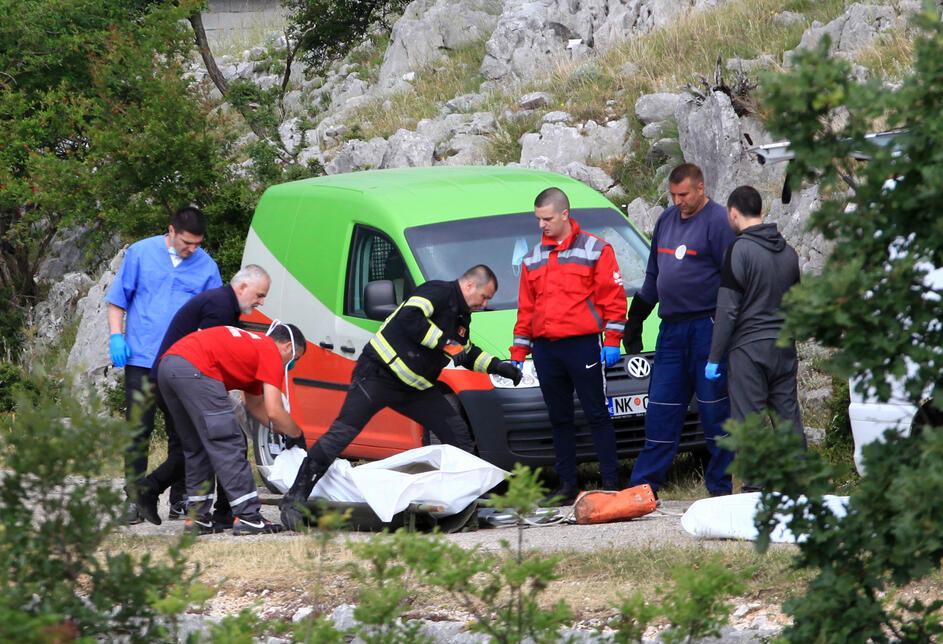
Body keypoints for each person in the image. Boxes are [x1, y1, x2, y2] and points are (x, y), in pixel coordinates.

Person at [278, 265, 522, 531]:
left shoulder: (463, 316)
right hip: (377, 375)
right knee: (341, 435)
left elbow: (466, 351)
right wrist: (447, 345)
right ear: (469, 286)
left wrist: (498, 366)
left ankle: (464, 501)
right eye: (484, 297)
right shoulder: (438, 291)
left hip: (413, 387)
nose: (484, 304)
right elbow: (410, 319)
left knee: (457, 433)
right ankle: (295, 497)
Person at [624, 163, 737, 496]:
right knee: (661, 409)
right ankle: (643, 489)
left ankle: (719, 490)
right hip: (671, 331)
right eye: (673, 195)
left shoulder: (718, 221)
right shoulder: (666, 220)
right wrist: (636, 319)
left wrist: (728, 330)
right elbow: (653, 276)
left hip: (708, 327)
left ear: (700, 188)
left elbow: (732, 280)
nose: (678, 201)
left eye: (684, 195)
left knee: (715, 412)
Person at [509, 187, 628, 504]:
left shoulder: (596, 249)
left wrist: (613, 340)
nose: (541, 225)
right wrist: (518, 353)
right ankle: (567, 485)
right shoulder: (532, 258)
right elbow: (526, 310)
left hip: (582, 345)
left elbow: (613, 300)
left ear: (564, 214)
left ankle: (611, 482)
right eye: (538, 219)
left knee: (596, 414)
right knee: (559, 418)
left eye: (546, 218)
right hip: (546, 349)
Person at [105, 207, 222, 523]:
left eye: (197, 244)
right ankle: (133, 500)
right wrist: (117, 336)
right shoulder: (141, 253)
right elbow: (118, 300)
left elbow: (212, 321)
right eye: (186, 242)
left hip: (182, 364)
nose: (191, 249)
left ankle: (179, 498)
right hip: (141, 360)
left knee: (184, 435)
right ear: (171, 231)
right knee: (137, 432)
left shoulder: (207, 267)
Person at [133, 264, 273, 525]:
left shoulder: (222, 304)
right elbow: (210, 356)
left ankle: (206, 510)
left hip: (171, 377)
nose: (261, 302)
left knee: (196, 446)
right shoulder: (220, 307)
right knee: (219, 441)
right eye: (259, 295)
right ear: (242, 286)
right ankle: (225, 510)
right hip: (184, 378)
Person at [157, 322, 307, 535]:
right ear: (288, 348)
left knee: (197, 446)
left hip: (168, 366)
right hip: (195, 369)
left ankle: (198, 518)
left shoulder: (253, 347)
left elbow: (257, 407)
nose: (291, 365)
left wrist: (281, 432)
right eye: (295, 359)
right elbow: (274, 410)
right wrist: (297, 434)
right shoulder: (270, 351)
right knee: (229, 441)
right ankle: (249, 516)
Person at [705, 186, 805, 492]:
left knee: (750, 420)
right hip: (783, 348)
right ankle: (799, 480)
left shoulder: (739, 250)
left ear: (733, 213)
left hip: (748, 350)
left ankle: (755, 488)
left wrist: (713, 358)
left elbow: (728, 310)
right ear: (760, 211)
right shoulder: (788, 252)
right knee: (787, 416)